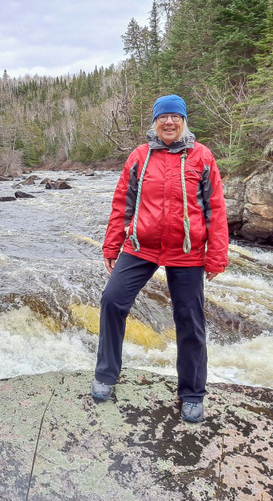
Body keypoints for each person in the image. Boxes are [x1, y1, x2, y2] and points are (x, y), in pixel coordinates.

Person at [91, 94, 229, 423]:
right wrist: (112, 245)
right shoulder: (139, 157)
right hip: (142, 246)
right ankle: (106, 375)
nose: (169, 122)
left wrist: (217, 254)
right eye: (163, 117)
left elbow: (216, 209)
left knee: (190, 320)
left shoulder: (203, 157)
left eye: (175, 117)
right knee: (112, 299)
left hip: (187, 250)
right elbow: (122, 203)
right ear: (154, 122)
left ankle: (193, 393)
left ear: (183, 122)